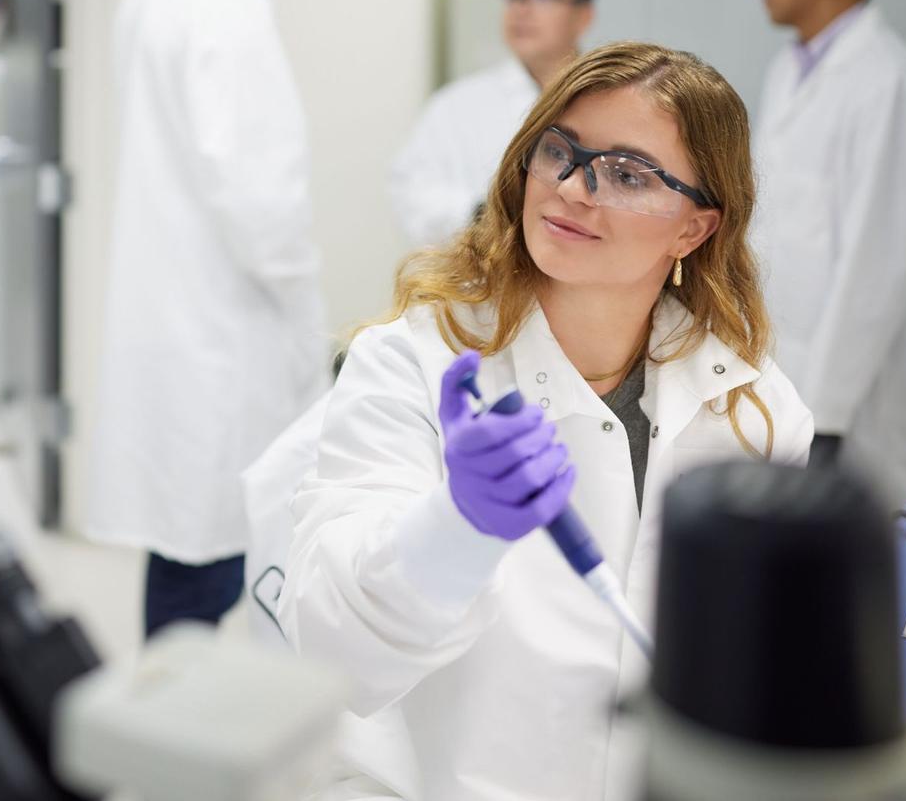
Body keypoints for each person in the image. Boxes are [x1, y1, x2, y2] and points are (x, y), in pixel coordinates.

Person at [279, 43, 812, 800]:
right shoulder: (412, 363)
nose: (571, 188)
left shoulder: (756, 412)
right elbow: (336, 651)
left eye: (627, 174)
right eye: (559, 152)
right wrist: (458, 527)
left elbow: (767, 664)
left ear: (694, 229)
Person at [86, 0, 327, 638]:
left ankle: (169, 739)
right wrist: (306, 309)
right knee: (217, 559)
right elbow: (254, 184)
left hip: (184, 314)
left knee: (192, 548)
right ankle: (178, 754)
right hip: (226, 326)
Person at [752, 0, 906, 496]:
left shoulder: (891, 83)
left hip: (856, 407)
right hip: (787, 377)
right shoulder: (790, 69)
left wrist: (826, 416)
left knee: (878, 574)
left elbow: (878, 265)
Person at [390, 0, 594, 247]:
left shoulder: (609, 101)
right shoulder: (456, 105)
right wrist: (486, 213)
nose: (521, 10)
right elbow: (412, 194)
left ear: (584, 15)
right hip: (487, 281)